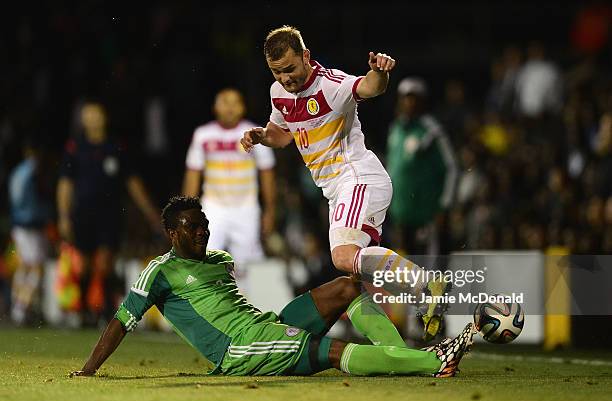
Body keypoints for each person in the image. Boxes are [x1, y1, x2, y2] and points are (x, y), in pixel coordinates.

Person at [70, 196, 475, 378]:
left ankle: (398, 359)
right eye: (192, 225)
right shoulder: (159, 272)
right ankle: (431, 362)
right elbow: (122, 321)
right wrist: (89, 369)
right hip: (239, 350)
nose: (202, 230)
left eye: (204, 222)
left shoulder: (218, 261)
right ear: (170, 232)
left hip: (262, 328)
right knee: (326, 352)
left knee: (347, 287)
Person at [240, 26, 450, 341]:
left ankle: (427, 287)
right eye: (276, 71)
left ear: (306, 56)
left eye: (290, 68)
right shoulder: (278, 93)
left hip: (357, 178)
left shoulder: (331, 85)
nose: (285, 78)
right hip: (338, 192)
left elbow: (369, 88)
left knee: (342, 256)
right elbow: (282, 134)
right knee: (353, 271)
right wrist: (262, 136)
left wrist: (379, 72)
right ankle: (393, 344)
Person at [57, 100, 161, 326]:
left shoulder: (116, 147)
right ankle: (84, 310)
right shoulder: (75, 148)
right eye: (88, 115)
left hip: (109, 214)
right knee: (83, 265)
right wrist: (63, 216)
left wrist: (150, 212)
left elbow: (133, 182)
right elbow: (65, 185)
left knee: (104, 263)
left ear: (104, 118)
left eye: (96, 114)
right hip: (82, 214)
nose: (92, 119)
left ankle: (105, 311)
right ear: (83, 120)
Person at [182, 88, 276, 296]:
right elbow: (193, 173)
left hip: (246, 208)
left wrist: (270, 209)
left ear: (243, 107)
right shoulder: (203, 135)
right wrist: (187, 210)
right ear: (215, 107)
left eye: (235, 102)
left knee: (245, 266)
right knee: (203, 259)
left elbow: (267, 173)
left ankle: (245, 313)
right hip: (213, 208)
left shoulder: (255, 133)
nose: (230, 107)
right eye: (225, 101)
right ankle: (206, 311)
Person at [386, 77, 457, 256]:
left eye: (413, 97)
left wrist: (444, 206)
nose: (408, 102)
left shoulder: (432, 132)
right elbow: (392, 169)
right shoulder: (396, 129)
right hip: (401, 215)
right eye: (405, 97)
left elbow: (451, 168)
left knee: (431, 273)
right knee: (406, 275)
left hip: (426, 215)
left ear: (422, 101)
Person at [8, 143, 53, 325]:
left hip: (18, 225)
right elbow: (40, 195)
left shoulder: (17, 172)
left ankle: (17, 308)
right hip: (31, 225)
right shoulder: (34, 171)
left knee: (24, 267)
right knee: (36, 268)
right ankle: (22, 309)